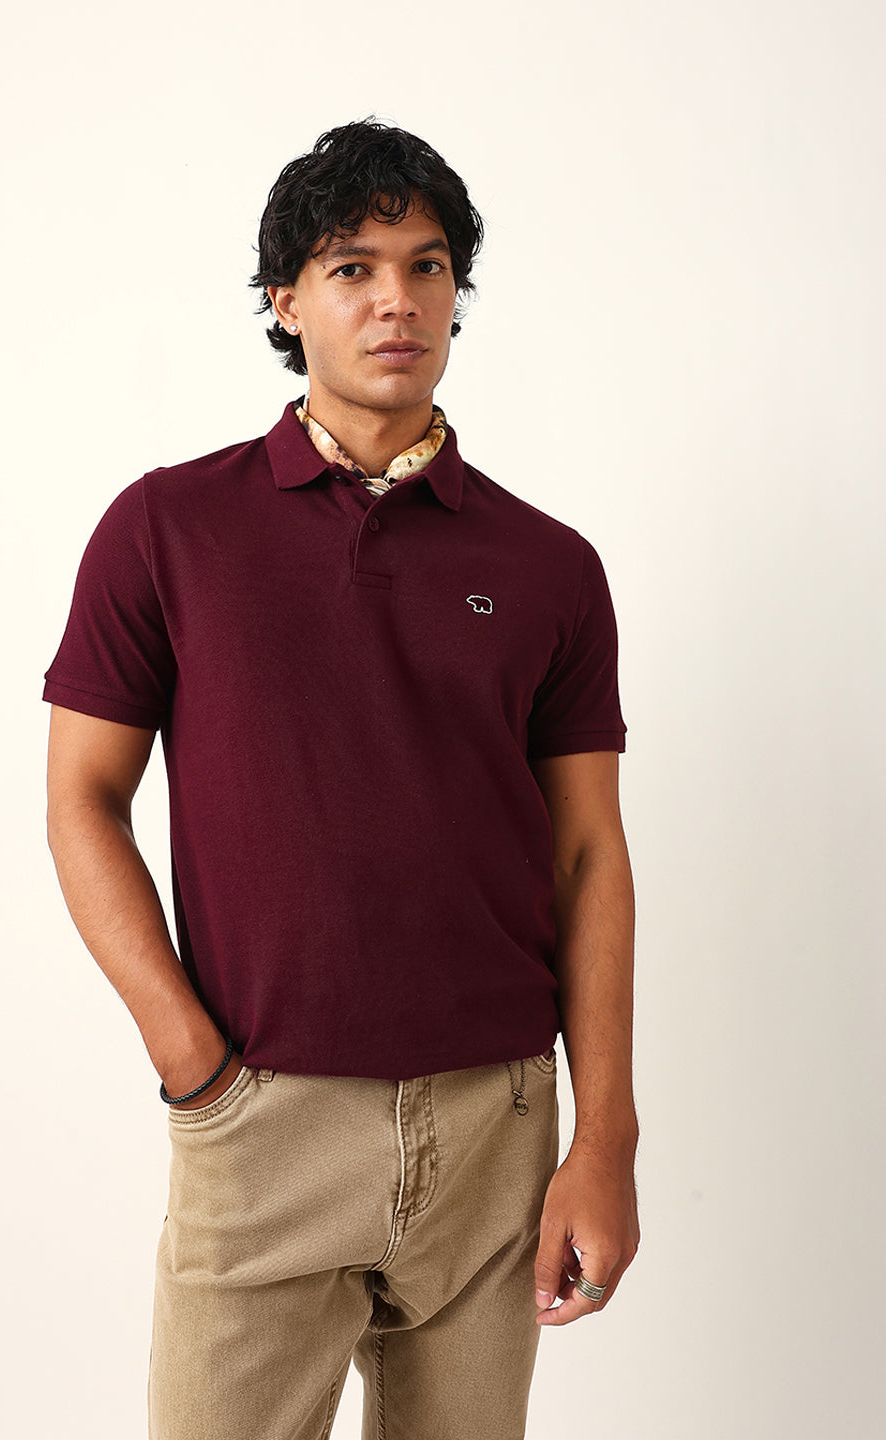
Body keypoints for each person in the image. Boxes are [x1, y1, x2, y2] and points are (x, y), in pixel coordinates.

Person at [44, 118, 639, 1440]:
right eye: (352, 268)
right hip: (261, 1116)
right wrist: (192, 1062)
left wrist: (605, 1140)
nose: (396, 301)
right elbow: (82, 798)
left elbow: (589, 853)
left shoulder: (548, 565)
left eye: (427, 268)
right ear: (285, 299)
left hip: (495, 1122)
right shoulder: (166, 528)